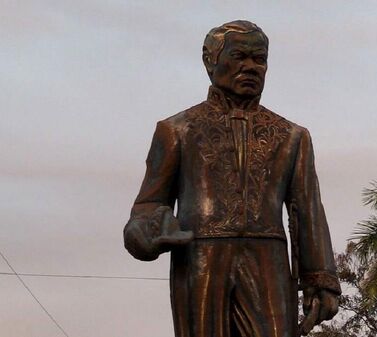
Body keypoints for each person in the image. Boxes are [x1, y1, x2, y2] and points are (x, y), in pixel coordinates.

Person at [123, 20, 340, 337]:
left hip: (268, 263)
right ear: (210, 60)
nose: (251, 67)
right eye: (240, 56)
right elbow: (149, 203)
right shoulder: (177, 130)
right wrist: (144, 233)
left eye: (259, 59)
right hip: (201, 259)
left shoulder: (292, 136)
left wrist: (320, 277)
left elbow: (308, 209)